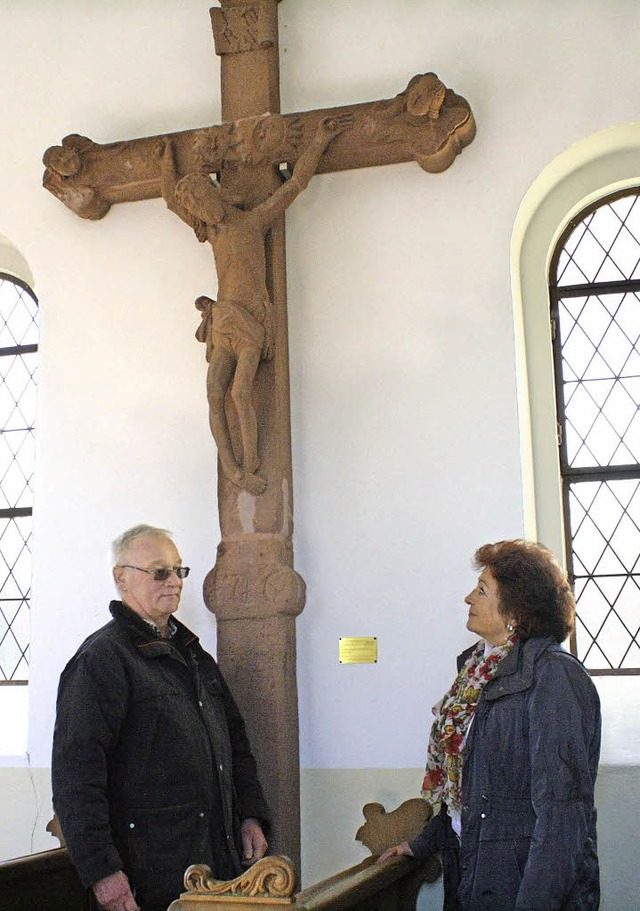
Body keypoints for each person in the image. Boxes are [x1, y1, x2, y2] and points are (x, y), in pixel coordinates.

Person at [52, 524, 269, 911]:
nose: (174, 581)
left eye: (178, 570)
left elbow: (235, 746)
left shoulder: (193, 655)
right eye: (159, 572)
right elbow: (76, 778)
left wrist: (250, 815)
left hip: (214, 865)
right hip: (150, 875)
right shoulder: (102, 660)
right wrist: (103, 873)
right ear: (122, 578)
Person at [379, 540, 601, 911]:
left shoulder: (554, 677)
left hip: (520, 883)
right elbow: (471, 788)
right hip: (472, 869)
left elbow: (562, 816)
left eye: (482, 590)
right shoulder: (475, 673)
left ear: (516, 609)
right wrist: (421, 843)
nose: (469, 598)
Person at [159, 113, 351, 496]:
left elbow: (294, 184)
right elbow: (169, 200)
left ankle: (251, 462)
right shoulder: (212, 233)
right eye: (195, 206)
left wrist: (319, 142)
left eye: (202, 199)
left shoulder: (253, 222)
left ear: (216, 193)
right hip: (223, 321)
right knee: (215, 392)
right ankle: (231, 467)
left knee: (240, 392)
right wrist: (166, 161)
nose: (201, 209)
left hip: (250, 324)